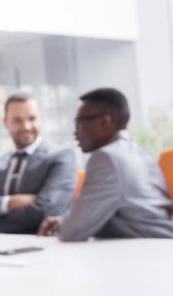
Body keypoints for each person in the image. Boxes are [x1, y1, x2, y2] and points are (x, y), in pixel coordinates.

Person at [39, 87, 173, 240]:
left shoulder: (107, 158)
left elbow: (71, 232)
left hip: (150, 250)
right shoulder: (136, 152)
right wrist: (65, 222)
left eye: (79, 123)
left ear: (104, 122)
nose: (75, 132)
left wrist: (64, 224)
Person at [0, 93, 75, 234]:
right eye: (17, 120)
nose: (26, 126)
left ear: (40, 118)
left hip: (37, 245)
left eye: (32, 118)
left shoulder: (60, 158)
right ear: (5, 122)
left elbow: (46, 210)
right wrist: (12, 202)